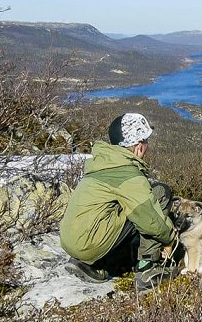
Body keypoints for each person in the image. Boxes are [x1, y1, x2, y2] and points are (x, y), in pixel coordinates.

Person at [60, 113, 179, 290]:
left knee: (122, 209)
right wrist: (171, 239)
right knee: (160, 193)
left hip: (71, 242)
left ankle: (88, 264)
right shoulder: (127, 174)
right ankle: (147, 269)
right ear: (138, 146)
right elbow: (150, 221)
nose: (147, 146)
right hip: (89, 243)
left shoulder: (103, 163)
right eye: (145, 141)